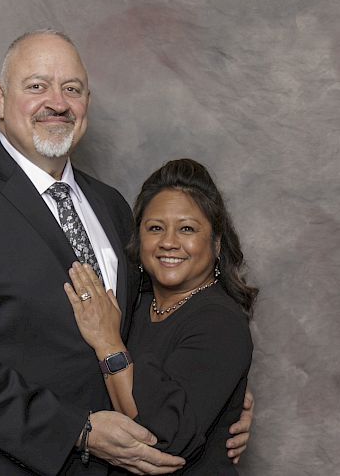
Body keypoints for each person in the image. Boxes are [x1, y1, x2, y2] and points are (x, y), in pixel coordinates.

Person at [0, 30, 252, 476]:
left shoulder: (113, 206)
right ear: (0, 100)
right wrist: (76, 430)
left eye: (72, 89)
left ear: (86, 104)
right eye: (37, 86)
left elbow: (146, 325)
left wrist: (215, 397)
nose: (57, 103)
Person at [65, 159, 258, 474]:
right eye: (155, 228)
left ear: (216, 242)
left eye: (187, 228)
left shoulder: (221, 322)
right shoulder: (134, 306)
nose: (169, 242)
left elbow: (160, 440)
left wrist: (106, 341)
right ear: (139, 239)